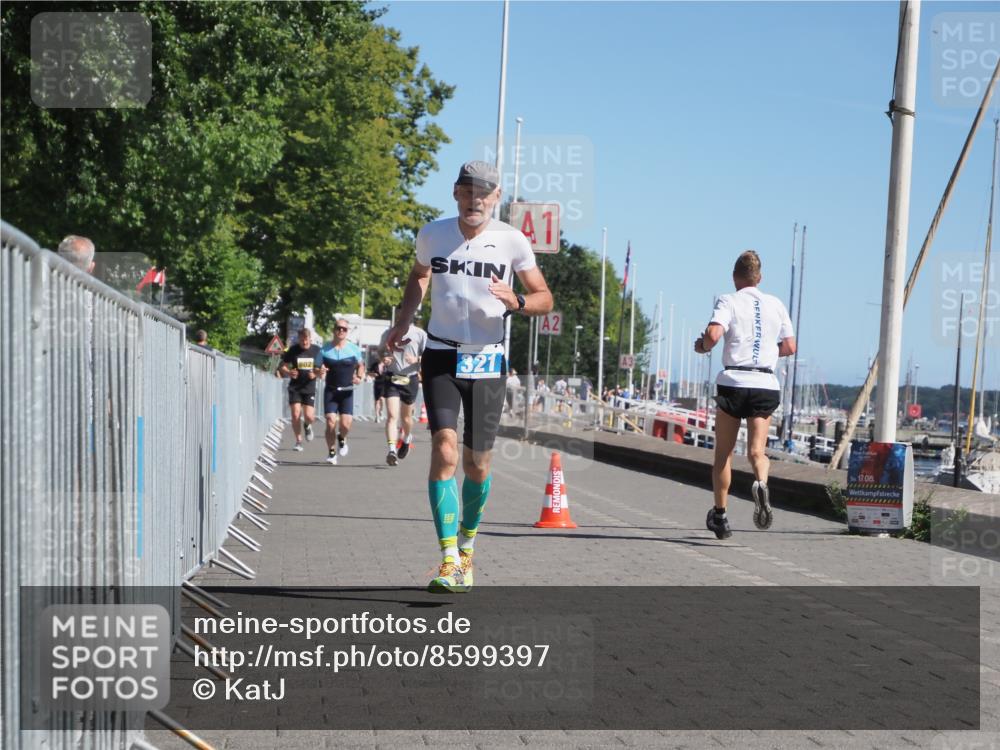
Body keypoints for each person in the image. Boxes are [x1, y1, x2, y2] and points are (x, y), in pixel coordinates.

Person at [383, 160, 553, 593]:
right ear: (455, 194)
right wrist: (405, 319)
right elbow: (419, 276)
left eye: (484, 193)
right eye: (467, 192)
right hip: (440, 353)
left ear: (496, 198)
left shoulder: (512, 241)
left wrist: (515, 300)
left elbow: (544, 298)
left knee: (477, 463)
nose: (474, 200)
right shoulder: (433, 234)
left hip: (487, 360)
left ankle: (468, 546)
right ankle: (448, 559)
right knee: (444, 448)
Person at [694, 250, 796, 539]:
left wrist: (702, 346)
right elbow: (789, 346)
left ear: (734, 277)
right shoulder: (776, 304)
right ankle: (761, 482)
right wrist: (765, 352)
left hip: (734, 381)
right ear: (759, 278)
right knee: (757, 452)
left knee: (723, 456)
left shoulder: (728, 300)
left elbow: (714, 335)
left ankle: (720, 516)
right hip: (765, 382)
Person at [379, 321, 427, 465]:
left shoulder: (420, 334)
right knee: (392, 415)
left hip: (409, 378)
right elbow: (380, 351)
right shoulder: (388, 333)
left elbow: (430, 356)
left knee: (406, 418)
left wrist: (417, 359)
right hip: (392, 377)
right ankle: (392, 450)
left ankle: (406, 439)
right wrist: (383, 358)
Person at [318, 319, 365, 465]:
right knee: (331, 421)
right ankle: (332, 453)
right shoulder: (324, 350)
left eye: (344, 329)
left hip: (347, 392)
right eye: (339, 328)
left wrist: (359, 376)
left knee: (345, 425)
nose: (341, 331)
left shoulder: (353, 349)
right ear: (334, 330)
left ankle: (342, 438)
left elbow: (361, 366)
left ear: (347, 331)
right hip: (331, 391)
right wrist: (320, 370)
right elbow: (317, 368)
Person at [280, 328, 322, 451]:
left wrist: (315, 374)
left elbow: (321, 369)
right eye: (302, 340)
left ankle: (307, 425)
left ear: (310, 339)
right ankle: (298, 441)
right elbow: (282, 366)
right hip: (295, 387)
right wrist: (289, 372)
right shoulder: (293, 350)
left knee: (309, 416)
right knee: (295, 413)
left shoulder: (316, 351)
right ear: (298, 339)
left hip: (309, 387)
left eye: (306, 340)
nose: (304, 343)